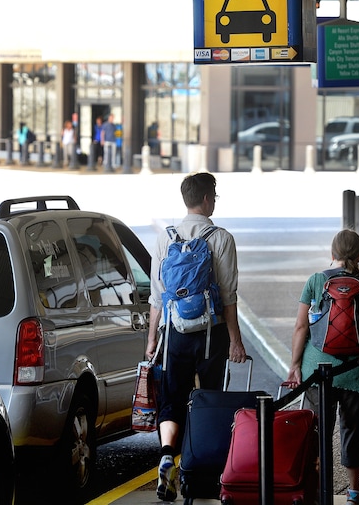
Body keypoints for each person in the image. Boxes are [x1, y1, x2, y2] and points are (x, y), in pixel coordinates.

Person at [146, 172, 247, 502]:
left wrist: (151, 341)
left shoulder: (166, 237)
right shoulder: (221, 238)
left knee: (172, 398)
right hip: (210, 333)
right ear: (206, 199)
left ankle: (166, 456)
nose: (214, 201)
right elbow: (229, 297)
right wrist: (235, 340)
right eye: (214, 196)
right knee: (208, 399)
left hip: (174, 332)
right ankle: (199, 470)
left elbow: (157, 296)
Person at [284, 229, 359, 505]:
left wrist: (294, 365)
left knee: (316, 431)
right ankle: (353, 490)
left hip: (318, 370)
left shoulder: (316, 281)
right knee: (353, 429)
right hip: (356, 371)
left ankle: (316, 490)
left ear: (332, 254)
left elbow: (301, 326)